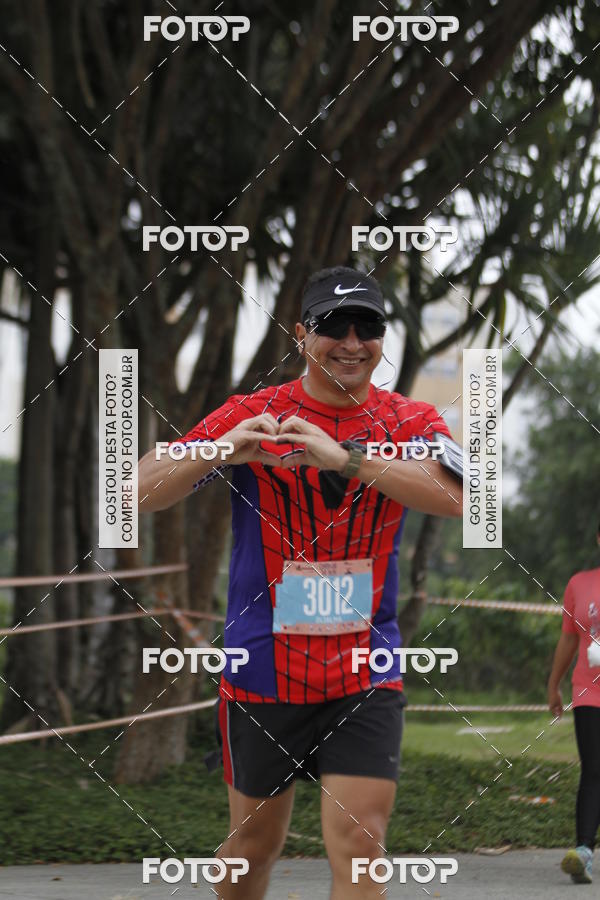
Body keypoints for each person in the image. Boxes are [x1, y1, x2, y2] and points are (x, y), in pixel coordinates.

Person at [138, 266, 463, 899]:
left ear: (382, 337)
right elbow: (134, 492)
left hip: (365, 668)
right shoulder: (255, 413)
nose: (350, 340)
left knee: (362, 841)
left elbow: (460, 497)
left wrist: (348, 459)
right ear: (299, 334)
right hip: (262, 669)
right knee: (251, 853)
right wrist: (222, 450)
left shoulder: (410, 418)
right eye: (331, 326)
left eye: (367, 325)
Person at [548, 521, 600, 885]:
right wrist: (554, 684)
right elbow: (569, 639)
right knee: (594, 769)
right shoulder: (579, 584)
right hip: (589, 691)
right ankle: (583, 852)